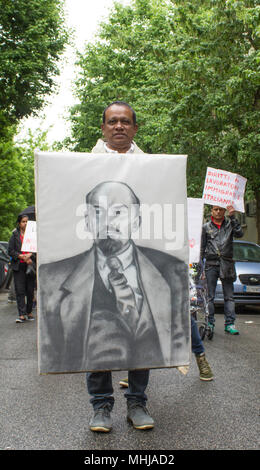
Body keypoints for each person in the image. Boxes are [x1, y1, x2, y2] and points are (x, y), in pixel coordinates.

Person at [38, 101, 190, 432]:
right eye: (112, 122)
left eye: (124, 122)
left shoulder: (153, 168)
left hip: (137, 271)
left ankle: (137, 402)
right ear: (103, 128)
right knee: (96, 342)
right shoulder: (84, 166)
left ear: (134, 128)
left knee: (143, 333)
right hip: (93, 273)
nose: (118, 126)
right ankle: (101, 407)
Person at [200, 205, 243, 335]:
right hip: (211, 264)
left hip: (227, 264)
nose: (218, 212)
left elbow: (240, 233)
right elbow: (202, 248)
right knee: (209, 296)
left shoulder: (230, 225)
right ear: (212, 211)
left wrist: (233, 217)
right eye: (215, 209)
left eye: (220, 209)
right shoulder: (205, 227)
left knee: (229, 296)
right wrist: (200, 267)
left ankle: (230, 324)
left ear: (224, 211)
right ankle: (210, 323)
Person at [8, 215, 36, 323]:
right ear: (19, 223)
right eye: (23, 221)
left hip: (30, 265)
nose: (25, 223)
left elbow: (36, 250)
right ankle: (21, 315)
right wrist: (21, 256)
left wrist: (30, 256)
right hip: (19, 266)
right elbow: (10, 250)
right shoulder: (14, 235)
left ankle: (29, 312)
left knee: (30, 290)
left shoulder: (33, 235)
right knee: (20, 291)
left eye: (27, 222)